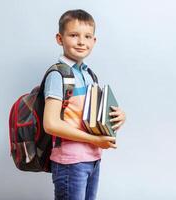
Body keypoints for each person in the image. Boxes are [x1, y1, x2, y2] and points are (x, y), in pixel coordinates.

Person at [43, 9, 126, 200]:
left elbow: (92, 117)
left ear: (94, 41)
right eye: (74, 35)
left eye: (87, 36)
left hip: (93, 158)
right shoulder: (58, 75)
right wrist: (95, 140)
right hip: (70, 162)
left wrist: (119, 117)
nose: (81, 42)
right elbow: (51, 124)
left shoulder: (89, 75)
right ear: (59, 38)